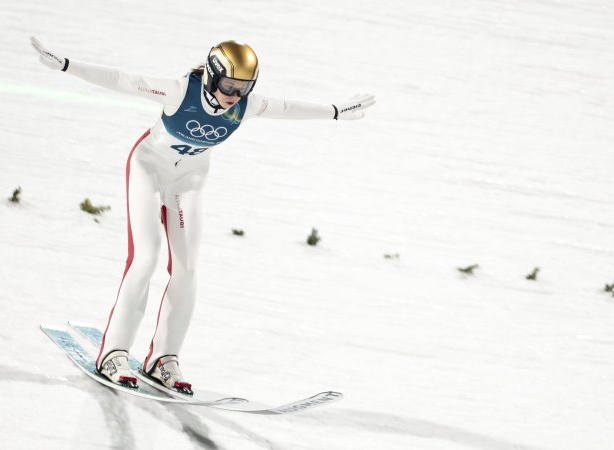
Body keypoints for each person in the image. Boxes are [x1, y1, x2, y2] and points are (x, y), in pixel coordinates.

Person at [30, 36, 376, 394]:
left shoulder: (245, 105)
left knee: (187, 269)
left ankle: (164, 358)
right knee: (145, 259)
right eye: (229, 85)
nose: (234, 95)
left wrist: (335, 110)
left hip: (189, 180)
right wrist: (68, 65)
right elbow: (124, 80)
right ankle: (114, 354)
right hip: (149, 168)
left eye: (244, 88)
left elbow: (288, 108)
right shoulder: (180, 92)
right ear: (211, 76)